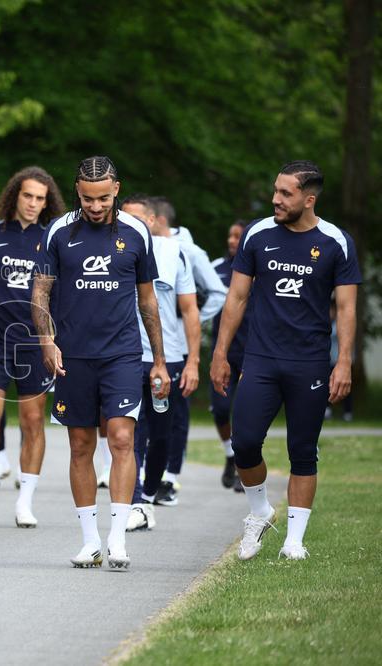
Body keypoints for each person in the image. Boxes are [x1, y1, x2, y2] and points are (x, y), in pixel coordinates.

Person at [212, 161, 360, 561]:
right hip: (259, 358)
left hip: (310, 362)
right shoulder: (258, 234)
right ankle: (260, 512)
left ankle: (295, 541)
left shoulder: (336, 242)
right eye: (275, 191)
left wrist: (343, 362)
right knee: (243, 443)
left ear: (308, 199)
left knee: (302, 450)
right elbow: (237, 298)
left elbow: (346, 309)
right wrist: (221, 353)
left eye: (285, 194)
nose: (276, 199)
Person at [31, 156, 169, 570]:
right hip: (72, 355)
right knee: (80, 445)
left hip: (123, 354)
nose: (96, 206)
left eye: (104, 198)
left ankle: (117, 537)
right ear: (77, 191)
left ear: (117, 189)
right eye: (88, 198)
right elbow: (39, 293)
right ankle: (90, 541)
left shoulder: (136, 232)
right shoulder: (59, 231)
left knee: (122, 439)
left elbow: (147, 299)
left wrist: (159, 359)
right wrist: (46, 340)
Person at [0, 166, 65, 527]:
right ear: (14, 195)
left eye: (40, 199)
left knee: (32, 422)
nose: (33, 204)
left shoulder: (52, 237)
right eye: (27, 196)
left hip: (34, 344)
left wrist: (54, 341)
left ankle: (25, 500)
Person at [120, 195, 200, 531]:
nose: (130, 225)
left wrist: (194, 361)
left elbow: (189, 310)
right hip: (124, 357)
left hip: (167, 361)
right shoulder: (115, 249)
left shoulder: (173, 252)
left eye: (137, 219)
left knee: (162, 436)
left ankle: (149, 496)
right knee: (129, 434)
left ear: (153, 221)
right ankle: (135, 500)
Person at [153, 197, 227, 500]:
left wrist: (189, 320)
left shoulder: (189, 250)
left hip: (179, 345)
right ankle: (148, 474)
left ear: (157, 220)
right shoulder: (141, 246)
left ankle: (171, 477)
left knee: (177, 411)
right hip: (147, 344)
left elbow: (218, 292)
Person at [210, 220, 248, 491]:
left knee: (246, 413)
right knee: (222, 410)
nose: (232, 240)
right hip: (223, 352)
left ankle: (242, 466)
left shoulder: (259, 268)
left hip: (252, 352)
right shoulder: (216, 269)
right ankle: (230, 455)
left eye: (238, 236)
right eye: (230, 235)